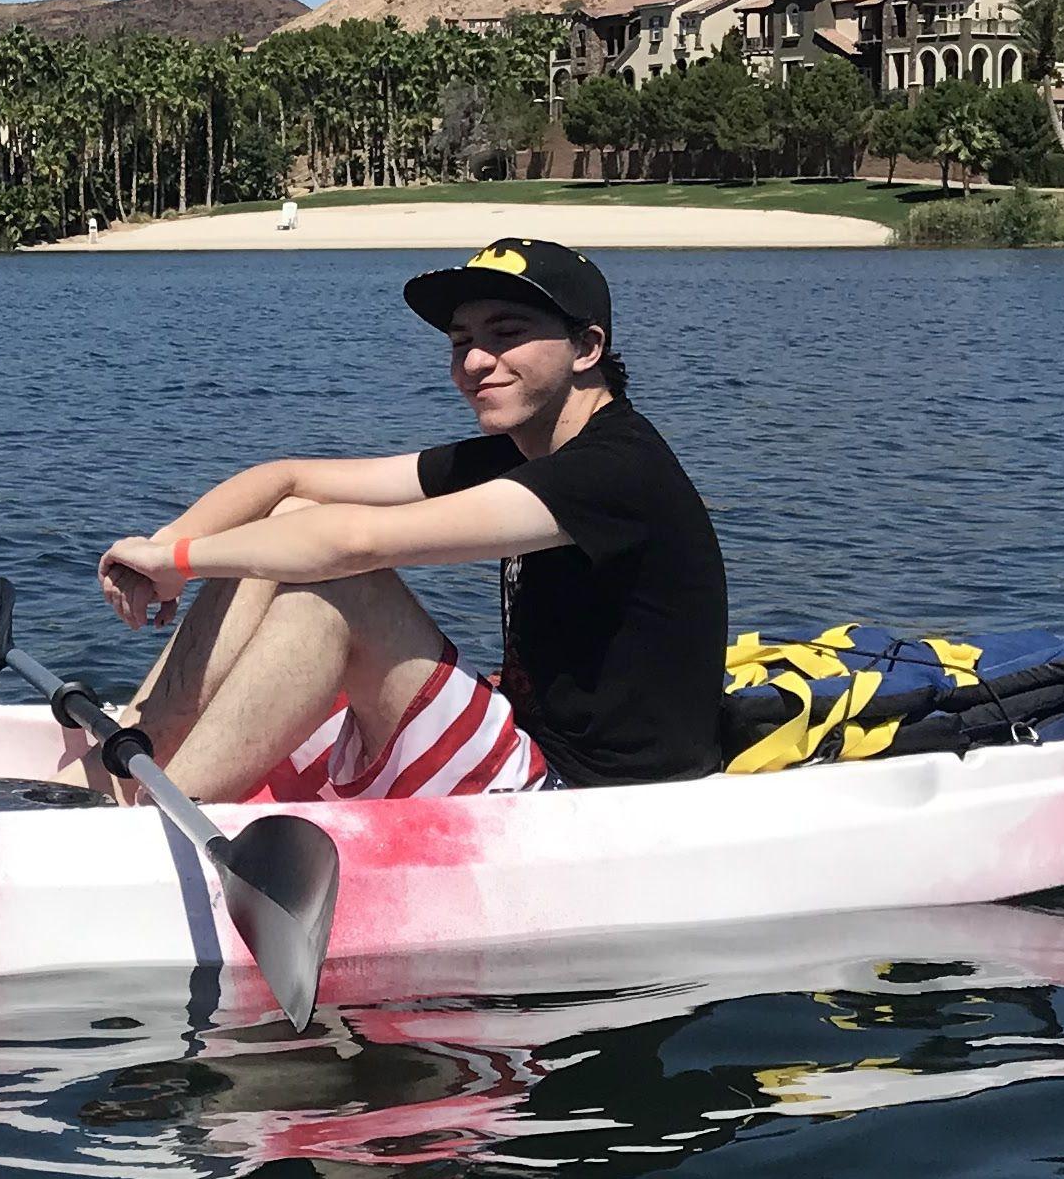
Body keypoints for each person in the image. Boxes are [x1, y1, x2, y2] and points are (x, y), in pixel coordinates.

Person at [91, 236, 729, 801]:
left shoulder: (616, 469)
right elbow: (285, 480)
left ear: (587, 347)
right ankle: (141, 756)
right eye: (462, 342)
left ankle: (159, 829)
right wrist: (169, 542)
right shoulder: (518, 453)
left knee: (342, 590)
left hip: (593, 800)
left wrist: (178, 565)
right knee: (288, 523)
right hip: (530, 744)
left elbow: (354, 544)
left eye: (506, 334)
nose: (476, 362)